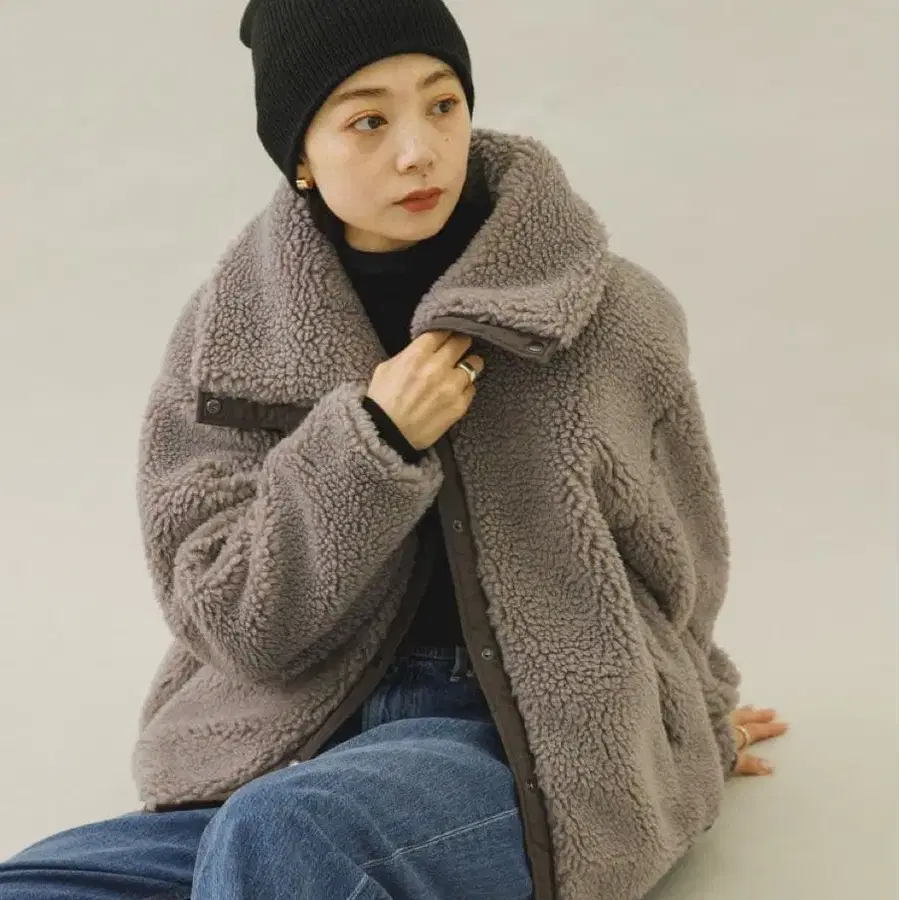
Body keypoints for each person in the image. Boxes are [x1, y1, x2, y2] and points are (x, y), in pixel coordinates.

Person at [0, 0, 789, 898]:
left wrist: (690, 730)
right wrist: (372, 443)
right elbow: (232, 619)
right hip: (283, 735)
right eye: (369, 121)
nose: (419, 151)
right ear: (300, 155)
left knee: (289, 835)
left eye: (442, 104)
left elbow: (680, 562)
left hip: (521, 742)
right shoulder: (229, 337)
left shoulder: (609, 314)